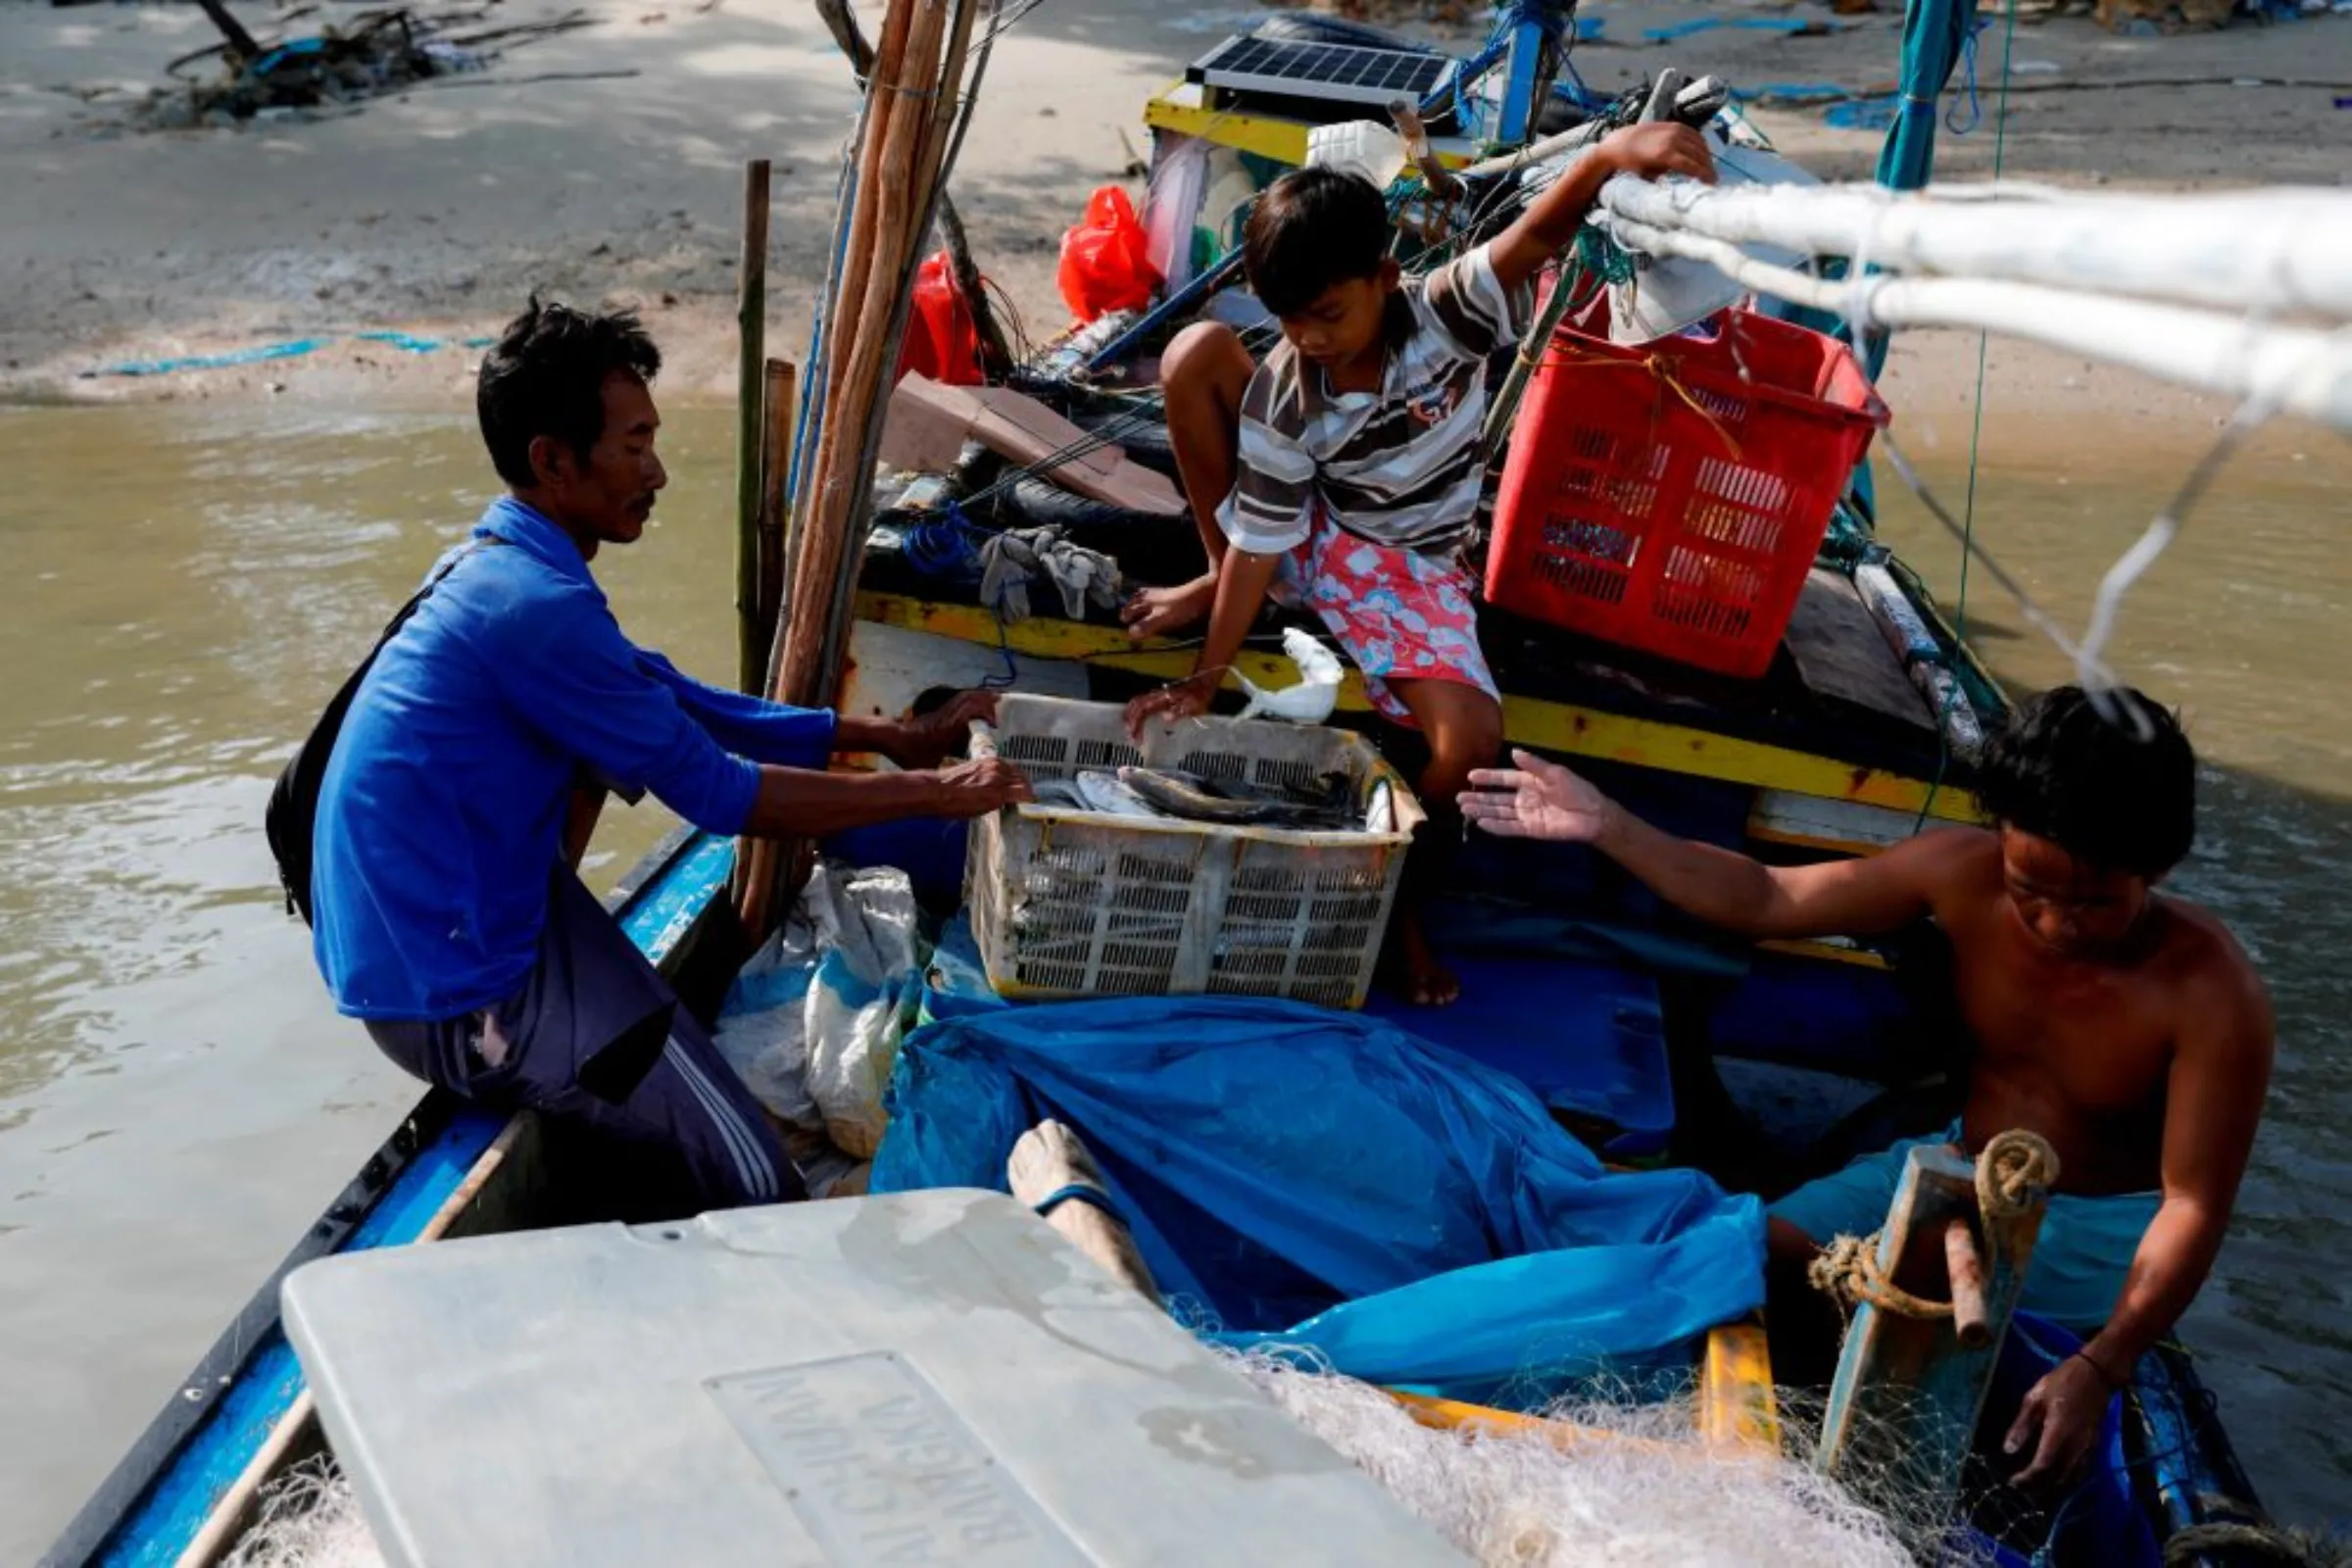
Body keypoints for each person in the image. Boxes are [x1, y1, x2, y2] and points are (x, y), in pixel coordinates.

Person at [309, 298, 1032, 1212]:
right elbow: (722, 796)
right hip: (459, 992)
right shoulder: (533, 607)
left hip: (451, 932)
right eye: (633, 444)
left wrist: (891, 737)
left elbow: (677, 699)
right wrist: (935, 793)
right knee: (754, 1175)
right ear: (553, 461)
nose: (656, 471)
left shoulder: (499, 564)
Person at [1459, 685, 2273, 1488]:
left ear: (2157, 867)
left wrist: (2103, 1364)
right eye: (2032, 894)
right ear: (2002, 838)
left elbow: (2191, 1204)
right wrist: (1610, 825)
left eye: (2093, 905)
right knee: (1736, 1260)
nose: (2058, 925)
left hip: (2093, 1238)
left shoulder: (2210, 990)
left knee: (1975, 1391)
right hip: (1946, 1167)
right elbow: (1766, 896)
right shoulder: (1960, 873)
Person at [1120, 124, 1717, 1005]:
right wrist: (1209, 678)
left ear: (1384, 279)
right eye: (1287, 321)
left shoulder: (1448, 313)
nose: (1309, 338)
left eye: (1329, 315)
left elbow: (1539, 238)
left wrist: (1604, 158)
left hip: (1419, 560)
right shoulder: (1286, 394)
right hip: (1315, 539)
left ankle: (1388, 890)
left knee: (1468, 743)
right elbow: (1260, 540)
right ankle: (1223, 600)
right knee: (1197, 358)